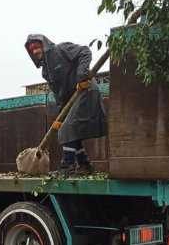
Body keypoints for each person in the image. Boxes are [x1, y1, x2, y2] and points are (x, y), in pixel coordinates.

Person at [24, 34, 107, 173]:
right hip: (71, 99)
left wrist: (82, 75)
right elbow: (59, 92)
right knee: (70, 131)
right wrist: (60, 114)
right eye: (32, 50)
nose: (35, 51)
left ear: (44, 45)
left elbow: (85, 51)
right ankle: (85, 165)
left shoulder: (61, 49)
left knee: (67, 129)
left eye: (37, 47)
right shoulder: (46, 71)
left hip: (85, 90)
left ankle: (67, 165)